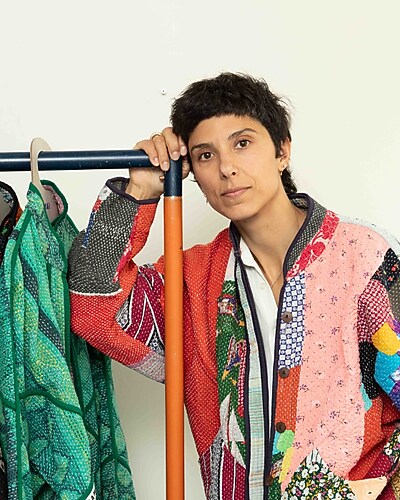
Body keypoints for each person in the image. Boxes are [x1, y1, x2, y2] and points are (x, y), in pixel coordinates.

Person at [68, 73, 400, 499]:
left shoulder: (364, 255)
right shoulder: (192, 279)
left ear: (282, 151)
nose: (226, 167)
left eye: (242, 143)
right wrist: (140, 190)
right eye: (206, 155)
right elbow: (95, 309)